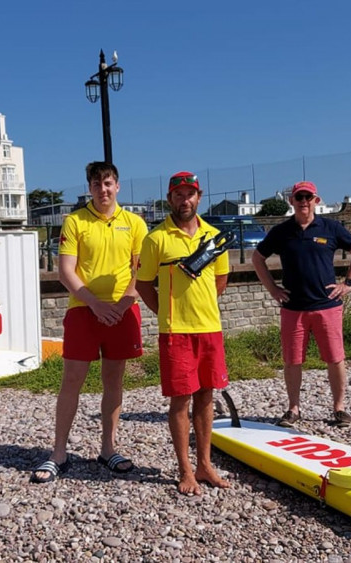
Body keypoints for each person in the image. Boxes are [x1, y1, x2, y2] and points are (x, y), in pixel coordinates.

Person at [31, 161, 148, 484]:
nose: (103, 190)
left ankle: (108, 449)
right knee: (72, 382)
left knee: (114, 382)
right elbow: (66, 271)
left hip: (122, 312)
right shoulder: (75, 221)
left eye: (108, 183)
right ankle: (58, 453)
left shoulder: (135, 223)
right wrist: (95, 305)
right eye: (97, 184)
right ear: (90, 188)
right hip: (84, 310)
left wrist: (122, 305)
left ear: (118, 186)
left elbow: (141, 273)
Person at [136, 171, 232, 496]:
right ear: (170, 199)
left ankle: (205, 464)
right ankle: (185, 470)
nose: (184, 200)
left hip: (210, 330)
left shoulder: (214, 235)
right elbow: (143, 284)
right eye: (178, 194)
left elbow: (221, 279)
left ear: (199, 197)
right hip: (175, 332)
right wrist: (166, 311)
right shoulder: (156, 239)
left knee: (206, 396)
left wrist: (203, 306)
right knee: (180, 400)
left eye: (190, 194)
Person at [252, 181, 351, 428]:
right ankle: (293, 409)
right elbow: (257, 257)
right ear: (292, 201)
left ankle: (339, 408)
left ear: (316, 200)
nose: (303, 202)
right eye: (299, 197)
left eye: (308, 197)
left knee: (335, 358)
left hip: (327, 306)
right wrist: (272, 289)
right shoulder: (281, 231)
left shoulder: (330, 227)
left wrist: (348, 282)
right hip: (294, 308)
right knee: (292, 360)